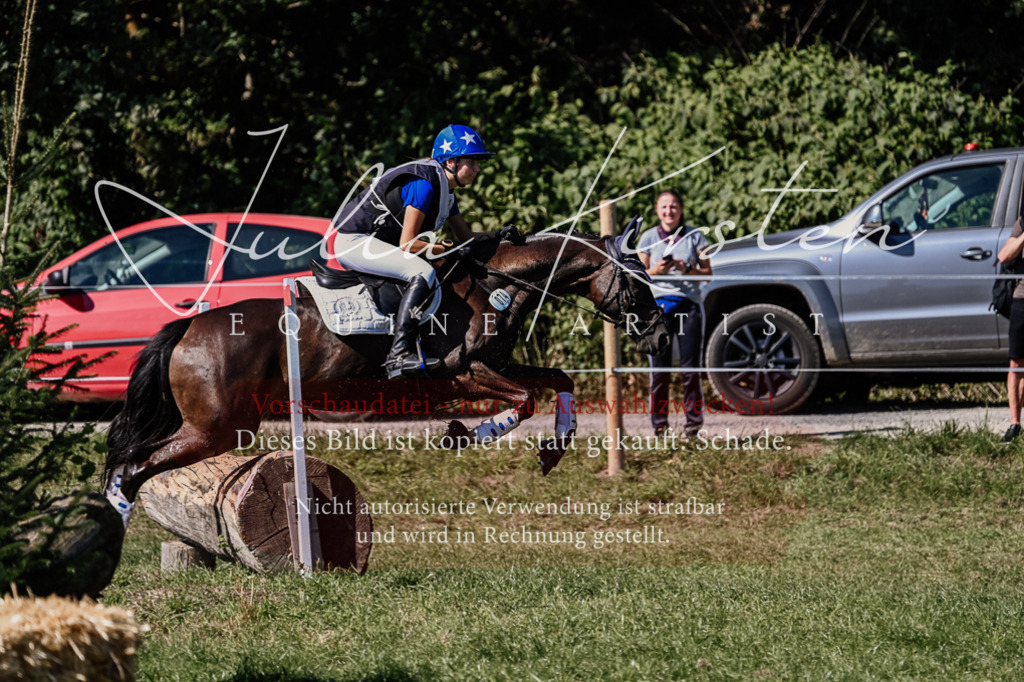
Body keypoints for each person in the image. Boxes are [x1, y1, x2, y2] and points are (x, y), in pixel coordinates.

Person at [331, 124, 493, 379]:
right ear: (450, 161)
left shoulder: (446, 191)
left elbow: (467, 238)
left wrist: (502, 236)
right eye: (471, 162)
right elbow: (407, 244)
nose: (477, 169)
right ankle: (398, 354)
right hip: (354, 241)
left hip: (376, 242)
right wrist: (444, 248)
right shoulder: (424, 184)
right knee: (422, 271)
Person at [637, 190, 712, 438]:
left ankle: (693, 426)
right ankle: (660, 426)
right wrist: (657, 270)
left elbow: (708, 273)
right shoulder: (648, 237)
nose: (669, 211)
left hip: (689, 306)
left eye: (673, 206)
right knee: (659, 370)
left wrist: (687, 268)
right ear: (657, 210)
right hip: (657, 309)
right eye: (664, 207)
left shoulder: (696, 237)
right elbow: (638, 275)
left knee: (691, 370)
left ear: (681, 209)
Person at [997, 216, 1024, 442]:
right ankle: (1015, 424)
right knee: (1016, 362)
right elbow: (1004, 256)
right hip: (1022, 299)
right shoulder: (1022, 223)